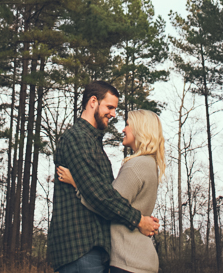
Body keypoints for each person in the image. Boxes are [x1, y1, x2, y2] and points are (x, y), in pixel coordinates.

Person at [47, 81, 160, 273]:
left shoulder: (94, 143)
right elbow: (100, 195)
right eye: (110, 107)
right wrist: (138, 220)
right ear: (93, 102)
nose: (114, 114)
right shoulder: (77, 138)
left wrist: (77, 183)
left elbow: (106, 191)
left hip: (94, 249)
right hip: (80, 248)